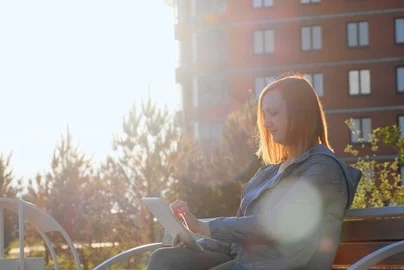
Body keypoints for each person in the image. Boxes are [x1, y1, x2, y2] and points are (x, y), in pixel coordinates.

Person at [147, 75, 362, 270]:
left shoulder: (324, 170)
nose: (266, 123)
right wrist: (193, 240)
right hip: (244, 263)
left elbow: (276, 224)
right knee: (166, 259)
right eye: (264, 115)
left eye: (274, 113)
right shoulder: (268, 173)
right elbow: (236, 241)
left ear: (300, 114)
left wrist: (204, 227)